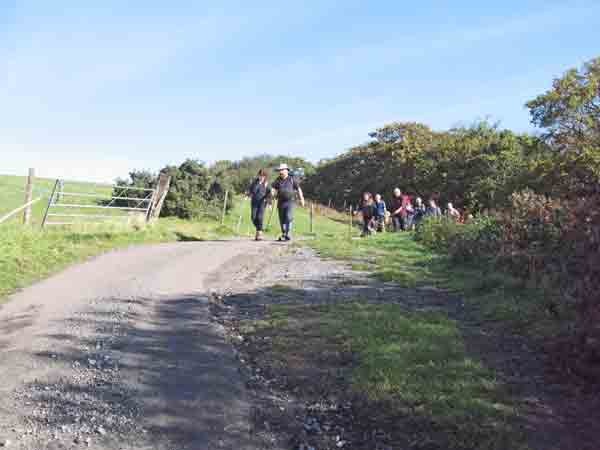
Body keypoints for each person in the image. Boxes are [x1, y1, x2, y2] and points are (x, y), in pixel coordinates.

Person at [271, 163, 305, 241]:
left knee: (288, 217)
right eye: (279, 170)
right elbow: (273, 188)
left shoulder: (292, 179)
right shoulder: (278, 179)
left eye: (282, 170)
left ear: (286, 170)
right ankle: (284, 233)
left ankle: (288, 233)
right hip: (280, 202)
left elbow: (298, 189)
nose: (280, 172)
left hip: (290, 202)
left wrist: (302, 199)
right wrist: (272, 194)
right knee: (282, 219)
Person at [248, 169, 270, 241]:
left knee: (260, 217)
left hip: (262, 202)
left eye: (263, 176)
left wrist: (269, 202)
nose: (261, 177)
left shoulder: (266, 184)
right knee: (253, 218)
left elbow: (269, 194)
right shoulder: (255, 182)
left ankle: (259, 233)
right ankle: (260, 229)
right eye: (260, 175)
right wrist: (248, 195)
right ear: (258, 175)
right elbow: (252, 190)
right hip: (254, 202)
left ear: (265, 176)